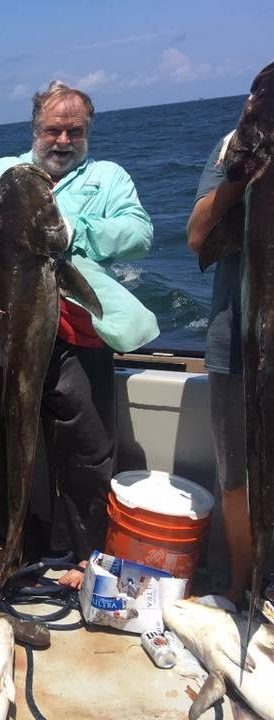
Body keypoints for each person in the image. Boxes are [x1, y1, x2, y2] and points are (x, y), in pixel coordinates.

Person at [0, 81, 158, 587]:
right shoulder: (1, 173)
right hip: (0, 337)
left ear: (88, 131)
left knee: (87, 452)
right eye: (52, 129)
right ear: (34, 127)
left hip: (79, 340)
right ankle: (10, 547)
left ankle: (86, 556)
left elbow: (139, 232)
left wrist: (69, 228)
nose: (62, 139)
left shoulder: (107, 177)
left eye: (74, 130)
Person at [187, 131, 251, 606]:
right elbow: (198, 237)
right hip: (238, 340)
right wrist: (242, 174)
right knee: (237, 476)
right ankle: (241, 585)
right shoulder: (235, 145)